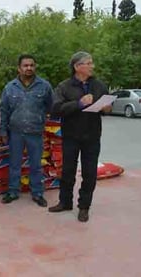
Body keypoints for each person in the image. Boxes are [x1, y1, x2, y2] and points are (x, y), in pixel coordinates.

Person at [48, 51, 112, 222]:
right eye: (88, 63)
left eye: (92, 63)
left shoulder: (99, 85)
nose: (92, 66)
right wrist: (79, 104)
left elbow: (107, 107)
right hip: (71, 135)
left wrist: (106, 108)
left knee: (89, 173)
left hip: (92, 135)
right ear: (77, 66)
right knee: (67, 170)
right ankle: (65, 202)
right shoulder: (64, 86)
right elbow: (56, 109)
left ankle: (84, 206)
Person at [0, 54, 53, 207]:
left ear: (35, 67)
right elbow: (3, 111)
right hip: (15, 132)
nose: (29, 68)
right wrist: (2, 132)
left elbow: (50, 106)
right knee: (14, 164)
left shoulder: (44, 86)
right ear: (19, 68)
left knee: (36, 164)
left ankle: (37, 193)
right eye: (25, 65)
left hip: (35, 132)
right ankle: (13, 191)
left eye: (31, 65)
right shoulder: (10, 87)